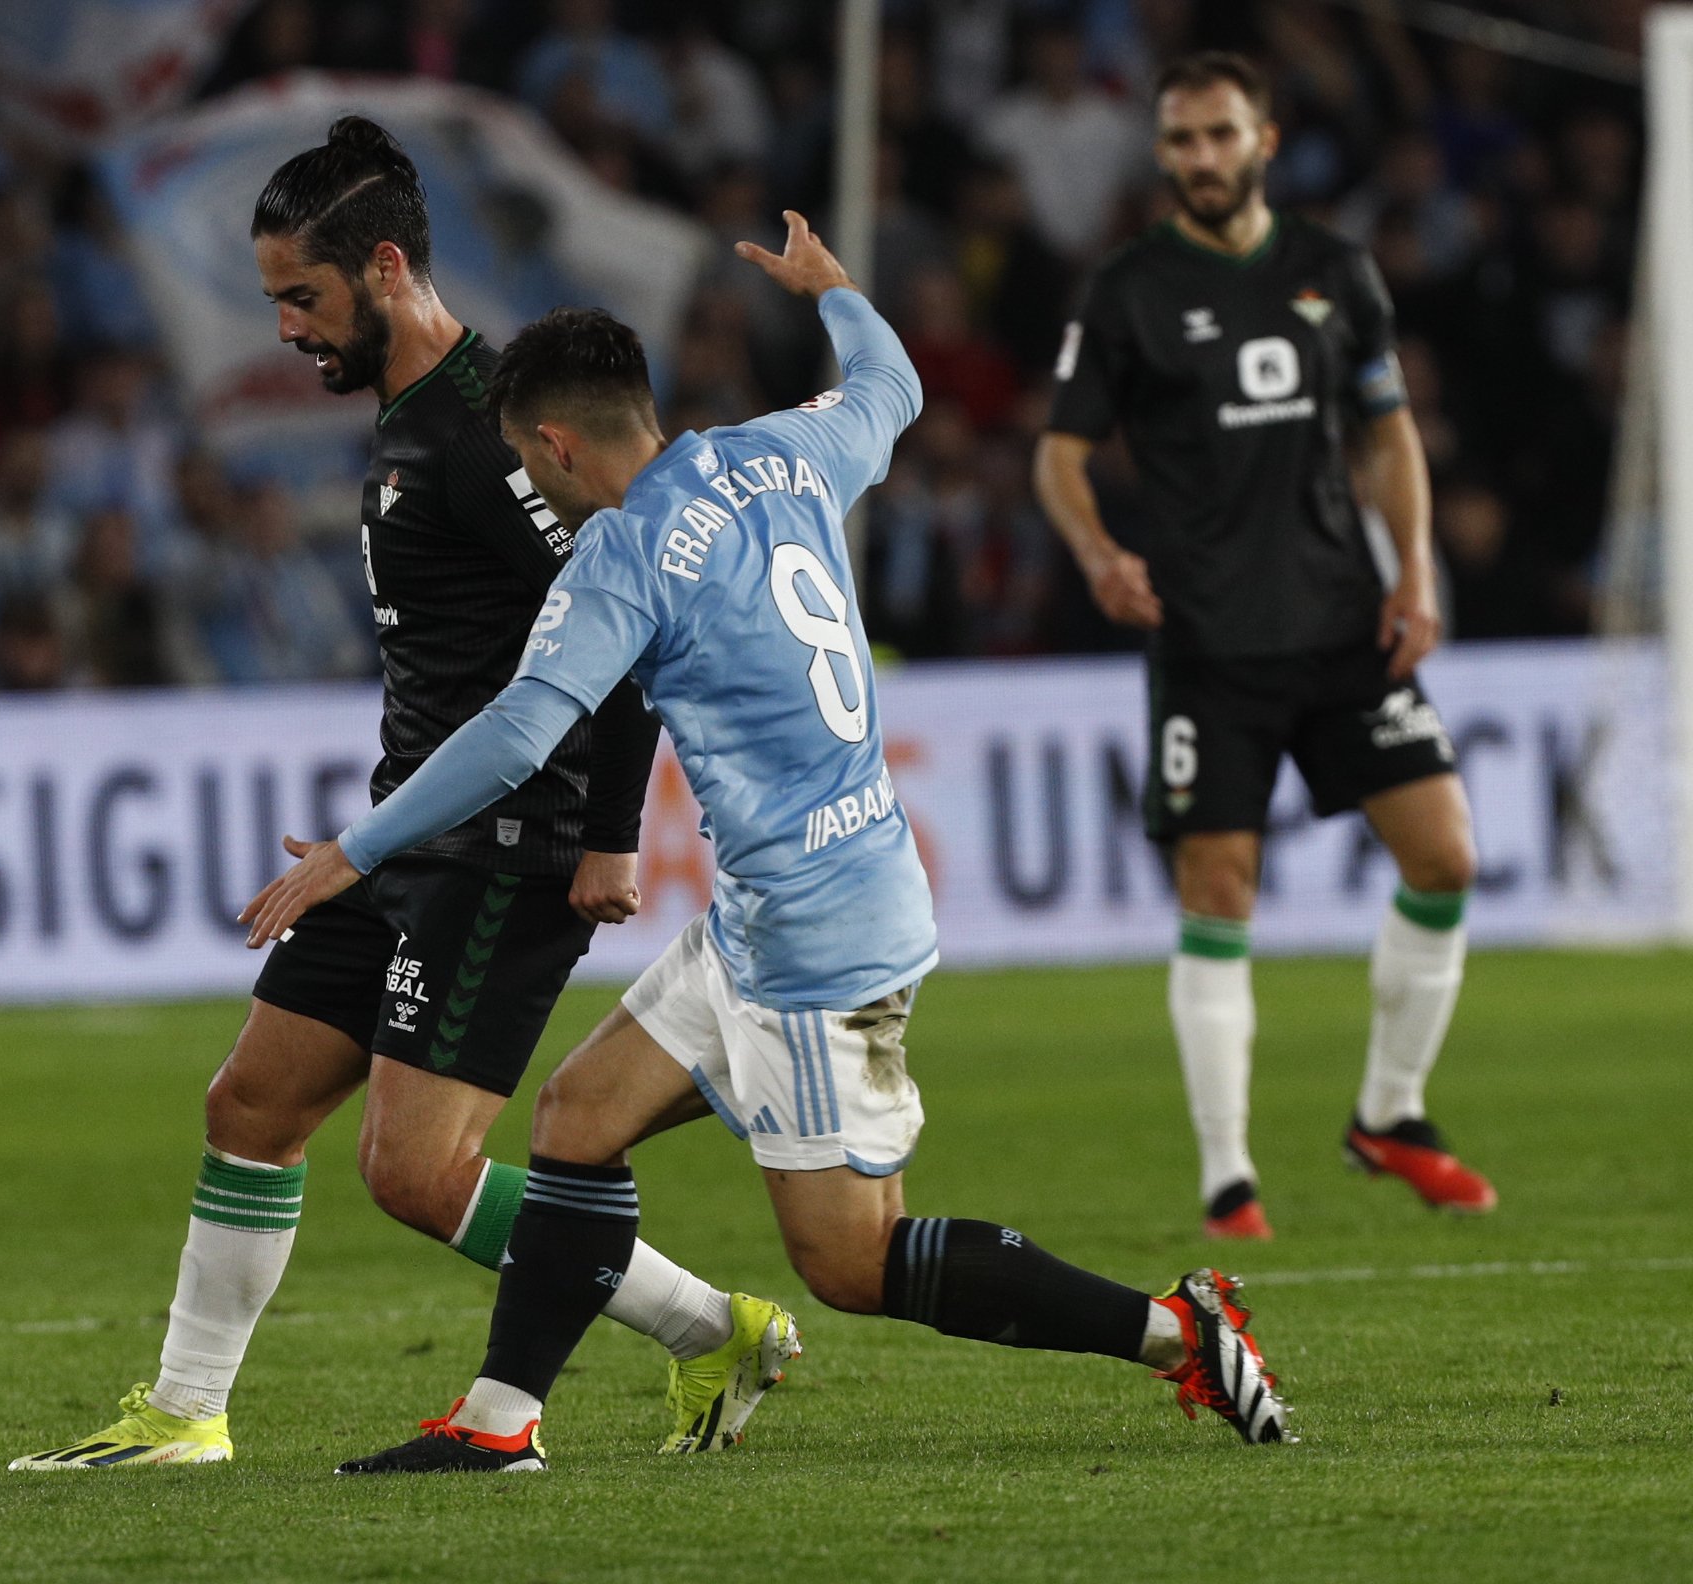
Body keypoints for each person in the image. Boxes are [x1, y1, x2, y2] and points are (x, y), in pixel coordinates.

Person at [245, 211, 1292, 1476]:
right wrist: (835, 290)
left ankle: (1178, 1333)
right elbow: (892, 384)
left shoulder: (621, 554)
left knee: (851, 1262)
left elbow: (517, 732)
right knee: (576, 1117)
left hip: (813, 944)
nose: (531, 479)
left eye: (527, 457)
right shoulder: (783, 451)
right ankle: (499, 1422)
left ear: (557, 444)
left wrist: (352, 850)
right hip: (793, 899)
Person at [8, 117, 789, 1474]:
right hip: (406, 830)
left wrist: (610, 835)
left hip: (509, 848)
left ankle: (709, 1328)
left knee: (417, 1176)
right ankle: (186, 1418)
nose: (286, 329)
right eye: (274, 301)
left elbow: (626, 629)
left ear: (383, 269)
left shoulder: (493, 437)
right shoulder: (409, 421)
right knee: (251, 1107)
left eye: (301, 297)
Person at [1032, 53, 1494, 1243]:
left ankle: (1389, 1114)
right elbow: (1059, 454)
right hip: (1207, 641)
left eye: (1219, 135)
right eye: (1180, 140)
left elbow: (1387, 435)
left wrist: (1415, 569)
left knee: (1444, 855)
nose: (1199, 158)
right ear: (1162, 152)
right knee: (1218, 889)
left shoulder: (1336, 270)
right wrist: (1096, 551)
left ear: (1264, 141)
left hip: (1344, 620)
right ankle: (1229, 1179)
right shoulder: (1127, 289)